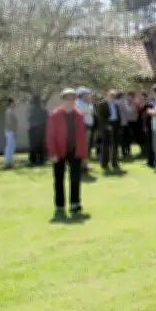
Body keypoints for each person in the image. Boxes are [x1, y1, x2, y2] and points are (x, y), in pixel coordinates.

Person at [46, 88, 88, 219]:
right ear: (62, 100)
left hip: (75, 151)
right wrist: (52, 153)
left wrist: (84, 155)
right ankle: (60, 205)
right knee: (59, 179)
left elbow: (82, 136)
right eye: (68, 99)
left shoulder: (79, 115)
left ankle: (74, 203)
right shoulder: (54, 115)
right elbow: (50, 136)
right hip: (59, 150)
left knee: (75, 178)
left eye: (73, 99)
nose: (71, 102)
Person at [96, 90, 122, 171]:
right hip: (106, 127)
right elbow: (100, 117)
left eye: (114, 96)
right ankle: (104, 163)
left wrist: (119, 127)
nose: (112, 98)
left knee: (115, 145)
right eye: (111, 96)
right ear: (107, 96)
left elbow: (118, 116)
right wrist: (107, 125)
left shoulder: (116, 105)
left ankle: (115, 162)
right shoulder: (102, 104)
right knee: (106, 146)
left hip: (115, 125)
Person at [76, 88, 95, 172]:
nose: (89, 96)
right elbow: (87, 111)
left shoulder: (87, 103)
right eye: (87, 94)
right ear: (82, 95)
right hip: (82, 127)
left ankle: (85, 165)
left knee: (87, 147)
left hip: (87, 127)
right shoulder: (79, 104)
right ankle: (81, 166)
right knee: (82, 147)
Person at [28, 94, 48, 166]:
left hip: (33, 129)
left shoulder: (31, 110)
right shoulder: (43, 109)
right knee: (41, 144)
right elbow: (46, 119)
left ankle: (33, 159)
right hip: (41, 129)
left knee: (34, 145)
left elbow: (29, 119)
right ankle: (41, 159)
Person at [4, 97, 19, 169]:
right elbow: (10, 122)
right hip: (10, 131)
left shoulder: (12, 111)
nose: (15, 104)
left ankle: (10, 161)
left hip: (11, 131)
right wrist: (13, 131)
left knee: (12, 147)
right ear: (11, 103)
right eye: (14, 102)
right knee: (9, 147)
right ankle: (7, 162)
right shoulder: (9, 111)